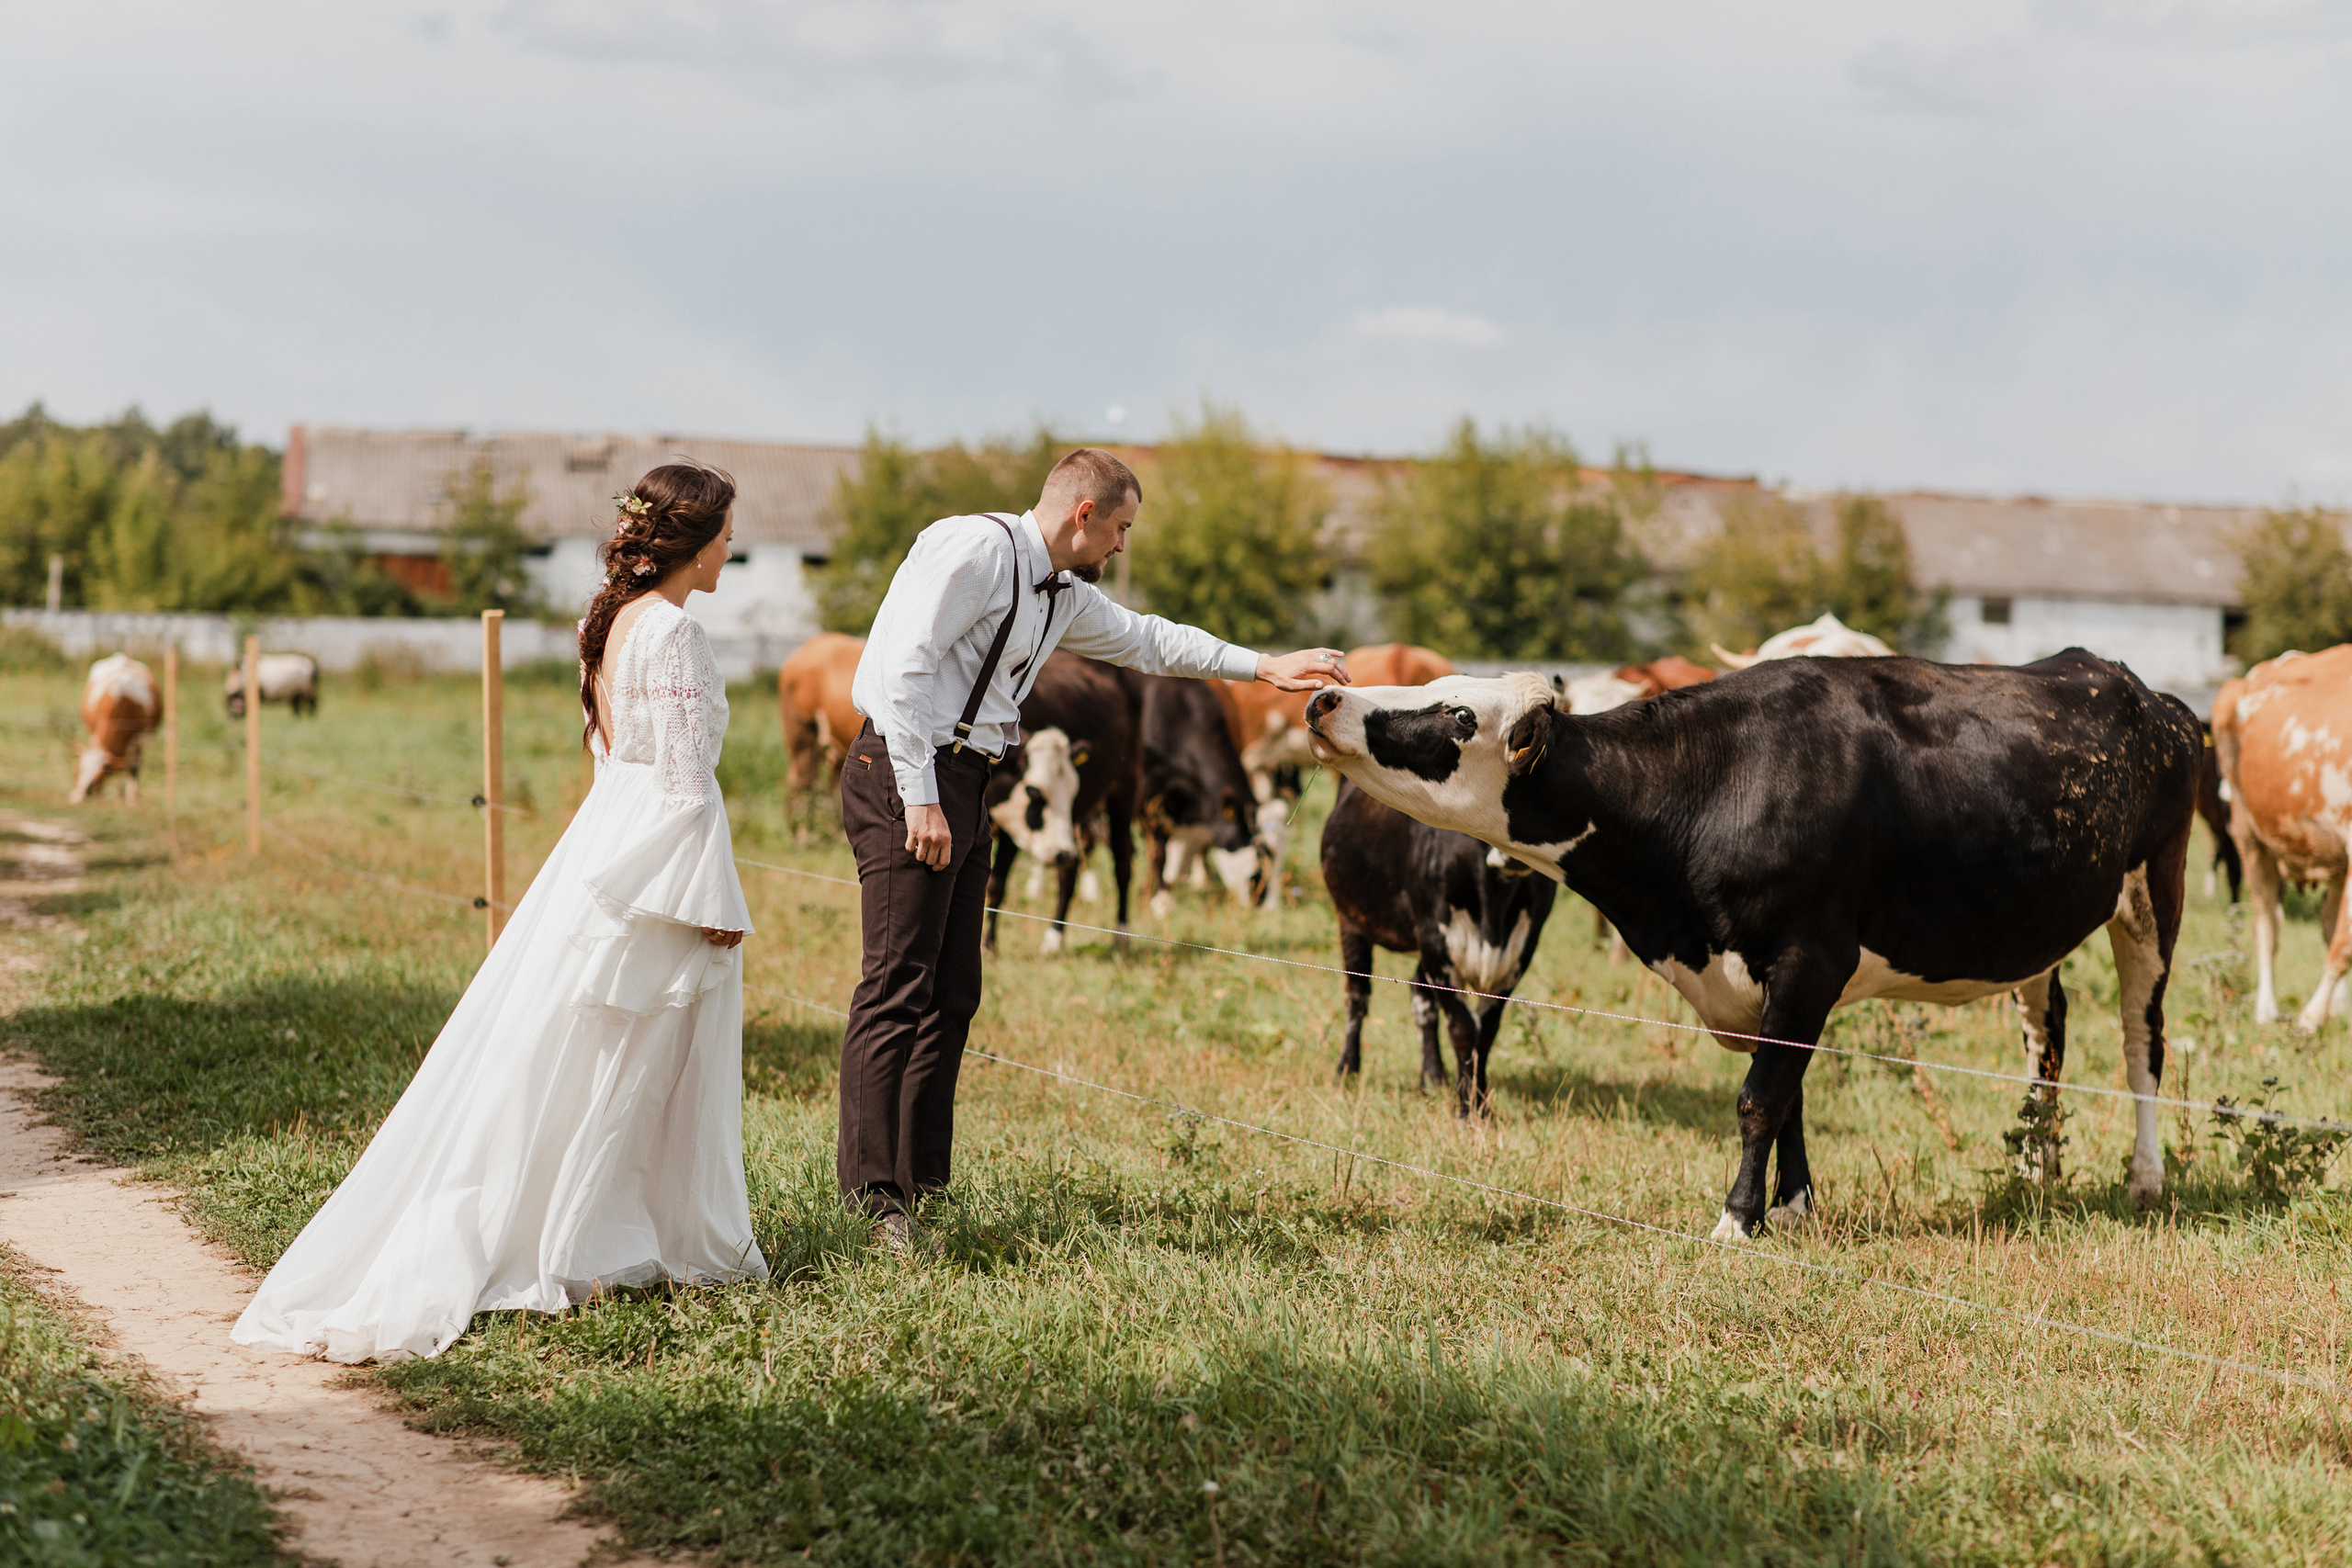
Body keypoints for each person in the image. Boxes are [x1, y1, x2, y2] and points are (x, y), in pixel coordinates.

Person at [234, 462, 766, 1362]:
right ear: (690, 540)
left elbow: (622, 764)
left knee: (585, 1049)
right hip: (656, 862)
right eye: (724, 534)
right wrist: (711, 896)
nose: (729, 549)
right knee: (636, 1054)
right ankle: (589, 1244)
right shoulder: (672, 631)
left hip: (605, 844)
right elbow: (683, 784)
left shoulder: (614, 621)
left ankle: (598, 1230)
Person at [841, 446, 1350, 1247]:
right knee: (898, 985)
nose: (1122, 546)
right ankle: (871, 1203)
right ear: (1084, 515)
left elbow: (1152, 641)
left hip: (974, 779)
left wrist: (1265, 667)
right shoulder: (973, 549)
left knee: (953, 993)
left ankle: (921, 1188)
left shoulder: (1063, 593)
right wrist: (921, 796)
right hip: (910, 771)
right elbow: (904, 668)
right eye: (1120, 529)